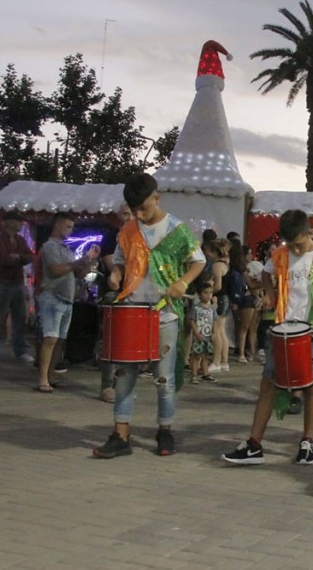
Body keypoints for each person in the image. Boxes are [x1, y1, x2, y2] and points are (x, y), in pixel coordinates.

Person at [222, 209, 313, 466]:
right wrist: (270, 292)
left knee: (311, 385)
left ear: (310, 232)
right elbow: (266, 273)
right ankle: (254, 444)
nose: (294, 250)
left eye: (298, 244)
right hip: (282, 328)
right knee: (268, 384)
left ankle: (308, 441)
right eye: (290, 245)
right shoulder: (281, 254)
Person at [94, 173, 205, 459]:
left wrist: (182, 283)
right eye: (134, 210)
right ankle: (121, 434)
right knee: (123, 375)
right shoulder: (129, 230)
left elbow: (199, 261)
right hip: (132, 311)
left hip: (165, 313)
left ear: (157, 198)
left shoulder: (177, 229)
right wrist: (116, 273)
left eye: (143, 208)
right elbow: (119, 260)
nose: (139, 215)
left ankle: (165, 430)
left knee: (164, 378)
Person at [36, 213, 99, 393]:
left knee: (59, 340)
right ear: (56, 225)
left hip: (66, 299)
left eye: (71, 227)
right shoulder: (50, 246)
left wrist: (88, 261)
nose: (70, 230)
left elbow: (79, 274)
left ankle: (50, 375)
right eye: (68, 226)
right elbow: (55, 270)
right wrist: (79, 262)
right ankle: (43, 378)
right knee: (50, 338)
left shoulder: (67, 249)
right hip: (52, 296)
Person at [0, 210, 35, 365]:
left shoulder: (20, 239)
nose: (21, 224)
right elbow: (4, 259)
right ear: (9, 222)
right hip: (0, 282)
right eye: (18, 221)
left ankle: (20, 351)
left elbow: (30, 256)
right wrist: (20, 257)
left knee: (20, 318)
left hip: (17, 282)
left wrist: (17, 256)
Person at [97, 203, 133, 402]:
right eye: (125, 214)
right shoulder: (112, 236)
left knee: (129, 342)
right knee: (112, 340)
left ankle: (123, 385)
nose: (128, 218)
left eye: (131, 214)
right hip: (114, 293)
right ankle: (107, 385)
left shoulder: (139, 237)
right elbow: (113, 267)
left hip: (134, 293)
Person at [204, 239, 232, 373]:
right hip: (226, 299)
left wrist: (209, 292)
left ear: (214, 252)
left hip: (219, 299)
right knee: (222, 331)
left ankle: (216, 361)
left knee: (217, 332)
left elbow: (218, 286)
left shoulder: (217, 265)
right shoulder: (225, 263)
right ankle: (224, 361)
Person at [229, 242, 257, 364]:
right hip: (245, 298)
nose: (251, 256)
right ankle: (242, 352)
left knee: (246, 327)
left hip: (244, 298)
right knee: (244, 327)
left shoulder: (235, 269)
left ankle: (247, 352)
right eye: (248, 254)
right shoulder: (241, 270)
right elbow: (250, 284)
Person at [187, 280, 216, 384]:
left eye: (210, 293)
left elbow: (214, 321)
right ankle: (194, 374)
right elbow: (192, 320)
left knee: (205, 356)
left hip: (208, 336)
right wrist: (196, 333)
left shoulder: (212, 309)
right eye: (205, 293)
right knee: (196, 356)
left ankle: (205, 373)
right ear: (199, 295)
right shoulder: (196, 308)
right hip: (199, 336)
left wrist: (214, 333)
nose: (208, 295)